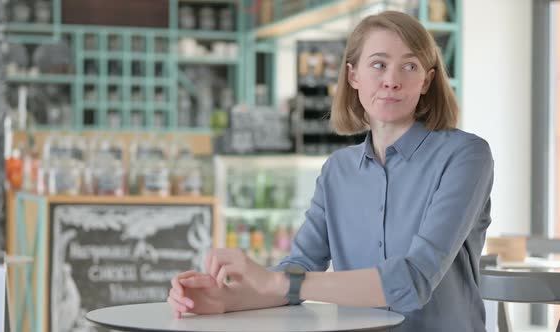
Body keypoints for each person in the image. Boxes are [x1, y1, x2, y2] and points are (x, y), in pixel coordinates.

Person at [168, 10, 493, 331]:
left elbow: (414, 279)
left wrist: (278, 281)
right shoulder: (337, 171)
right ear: (353, 77)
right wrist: (225, 301)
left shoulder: (465, 156)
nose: (392, 81)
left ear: (427, 80)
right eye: (379, 64)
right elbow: (300, 266)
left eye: (409, 66)